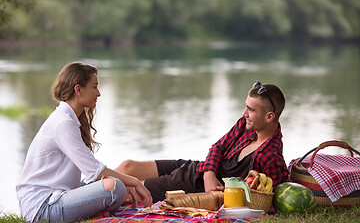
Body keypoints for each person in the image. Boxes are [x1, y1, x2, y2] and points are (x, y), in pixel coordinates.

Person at [16, 62, 152, 223]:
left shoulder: (69, 119)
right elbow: (94, 170)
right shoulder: (63, 123)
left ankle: (91, 212)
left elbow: (91, 175)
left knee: (111, 185)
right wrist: (134, 181)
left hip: (58, 194)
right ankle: (90, 211)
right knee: (115, 187)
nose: (99, 93)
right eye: (94, 87)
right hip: (43, 207)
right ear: (78, 90)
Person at [116, 80, 289, 202]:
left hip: (191, 186)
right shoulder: (246, 126)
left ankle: (89, 199)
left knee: (130, 189)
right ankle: (88, 189)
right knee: (127, 166)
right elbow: (218, 147)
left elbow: (267, 197)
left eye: (250, 110)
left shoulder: (270, 157)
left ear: (269, 116)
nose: (244, 114)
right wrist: (209, 175)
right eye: (246, 107)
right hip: (198, 168)